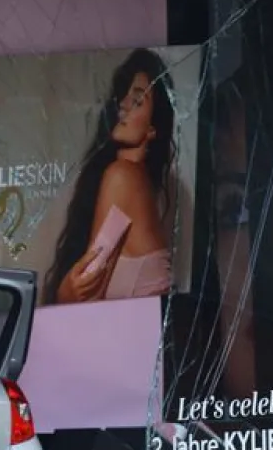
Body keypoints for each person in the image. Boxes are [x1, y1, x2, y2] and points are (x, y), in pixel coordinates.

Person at [45, 48, 177, 305]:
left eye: (137, 101)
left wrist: (63, 295)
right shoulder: (139, 184)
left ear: (152, 128)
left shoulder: (123, 178)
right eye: (124, 96)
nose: (124, 105)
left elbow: (87, 291)